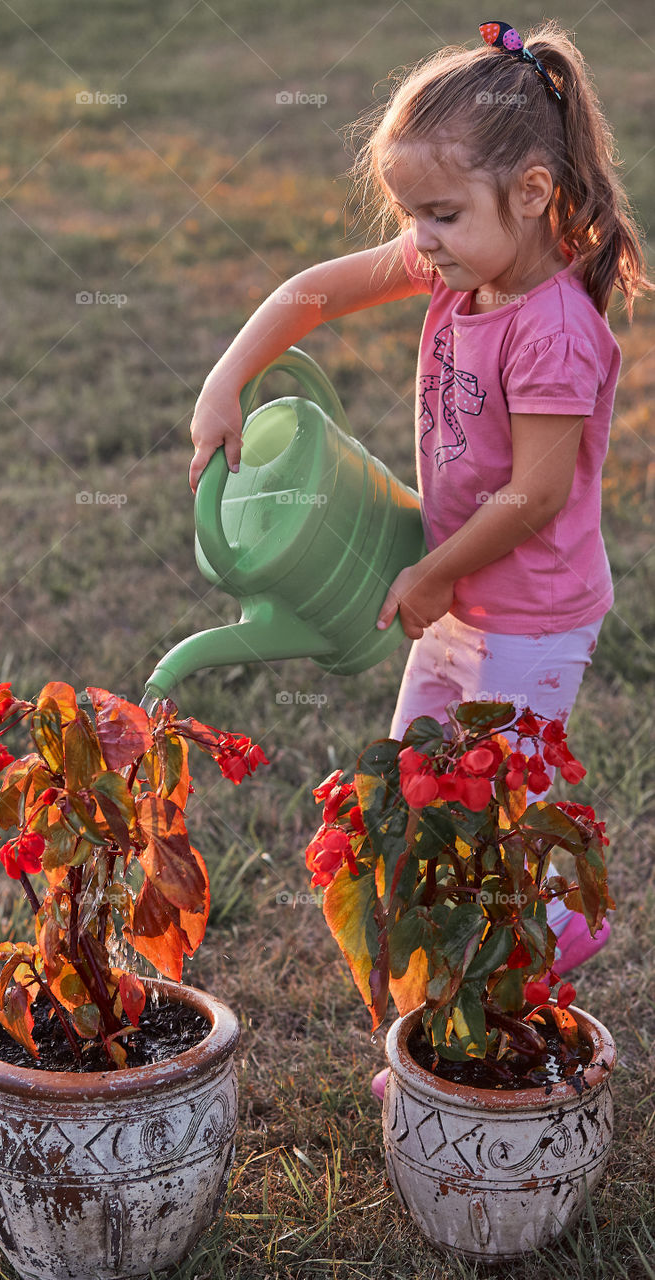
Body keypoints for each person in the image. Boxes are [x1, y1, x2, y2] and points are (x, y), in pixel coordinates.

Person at [187, 20, 650, 1093]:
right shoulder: (459, 267)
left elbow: (534, 493)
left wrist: (436, 573)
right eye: (409, 216)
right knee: (413, 803)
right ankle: (444, 1029)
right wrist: (226, 376)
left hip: (529, 617)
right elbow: (313, 290)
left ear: (532, 193)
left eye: (439, 215)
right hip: (452, 601)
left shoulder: (551, 329)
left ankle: (550, 943)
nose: (420, 240)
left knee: (492, 819)